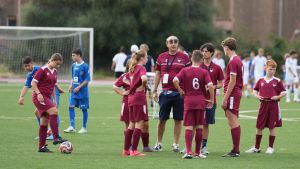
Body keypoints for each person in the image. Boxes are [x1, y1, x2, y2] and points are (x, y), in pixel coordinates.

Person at [152, 35, 191, 152]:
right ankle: (159, 143)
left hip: (180, 93)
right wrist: (154, 90)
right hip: (165, 92)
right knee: (162, 119)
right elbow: (158, 74)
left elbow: (189, 74)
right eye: (171, 42)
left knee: (178, 119)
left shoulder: (184, 57)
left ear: (178, 44)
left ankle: (175, 143)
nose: (173, 44)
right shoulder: (161, 57)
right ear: (167, 44)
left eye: (175, 42)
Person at [173, 50, 214, 159]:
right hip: (200, 101)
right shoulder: (204, 72)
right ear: (201, 60)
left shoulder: (185, 70)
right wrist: (212, 99)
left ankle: (188, 152)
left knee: (189, 126)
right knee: (200, 126)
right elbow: (210, 86)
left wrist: (180, 90)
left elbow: (175, 80)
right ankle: (198, 152)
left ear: (191, 59)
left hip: (189, 101)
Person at [245, 59, 286, 154]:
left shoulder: (277, 80)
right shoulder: (260, 80)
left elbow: (284, 92)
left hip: (273, 106)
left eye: (274, 69)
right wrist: (257, 96)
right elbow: (255, 90)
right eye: (270, 69)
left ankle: (270, 148)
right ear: (265, 68)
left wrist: (277, 96)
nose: (272, 71)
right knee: (259, 127)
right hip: (263, 105)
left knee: (272, 127)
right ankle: (256, 147)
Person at [18, 56, 64, 140]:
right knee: (37, 112)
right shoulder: (29, 75)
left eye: (28, 65)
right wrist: (21, 97)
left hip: (51, 92)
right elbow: (26, 86)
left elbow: (53, 81)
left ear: (32, 64)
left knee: (53, 111)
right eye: (25, 66)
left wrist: (59, 88)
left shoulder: (39, 69)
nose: (26, 68)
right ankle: (46, 132)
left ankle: (56, 133)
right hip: (43, 95)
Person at [113, 65, 154, 153]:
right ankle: (130, 147)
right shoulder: (125, 75)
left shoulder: (139, 74)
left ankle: (145, 146)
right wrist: (123, 93)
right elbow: (115, 86)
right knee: (129, 124)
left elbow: (146, 87)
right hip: (127, 102)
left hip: (139, 101)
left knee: (145, 124)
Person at [31, 53, 67, 152]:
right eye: (57, 64)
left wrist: (54, 99)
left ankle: (41, 147)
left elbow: (52, 86)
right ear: (52, 60)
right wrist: (38, 94)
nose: (58, 66)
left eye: (60, 65)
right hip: (39, 97)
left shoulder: (54, 71)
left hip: (47, 97)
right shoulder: (43, 70)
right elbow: (33, 83)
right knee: (54, 112)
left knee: (44, 122)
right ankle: (56, 137)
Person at [122, 50, 149, 157]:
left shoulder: (132, 68)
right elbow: (144, 78)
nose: (147, 59)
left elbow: (126, 79)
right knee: (139, 123)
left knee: (132, 123)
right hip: (138, 97)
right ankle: (134, 150)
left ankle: (126, 150)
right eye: (146, 57)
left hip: (131, 98)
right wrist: (143, 85)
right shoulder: (141, 68)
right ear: (142, 58)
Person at [199, 43, 224, 155]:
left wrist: (214, 86)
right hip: (198, 98)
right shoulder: (198, 66)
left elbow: (221, 83)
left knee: (206, 124)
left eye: (206, 51)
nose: (204, 53)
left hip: (210, 99)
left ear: (211, 53)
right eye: (203, 51)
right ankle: (190, 145)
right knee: (195, 122)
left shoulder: (217, 68)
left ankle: (203, 147)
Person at [221, 37, 243, 157]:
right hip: (235, 92)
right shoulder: (237, 60)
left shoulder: (233, 61)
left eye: (224, 47)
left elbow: (232, 81)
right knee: (232, 120)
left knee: (233, 120)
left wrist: (225, 98)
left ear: (227, 48)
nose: (223, 49)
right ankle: (235, 149)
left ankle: (236, 150)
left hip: (233, 93)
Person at [64, 49, 90, 134]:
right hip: (73, 91)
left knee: (84, 109)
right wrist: (70, 84)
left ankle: (84, 127)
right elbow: (73, 77)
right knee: (70, 106)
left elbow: (87, 80)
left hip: (82, 92)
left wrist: (78, 87)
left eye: (73, 55)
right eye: (72, 55)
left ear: (79, 55)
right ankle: (72, 126)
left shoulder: (85, 66)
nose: (72, 57)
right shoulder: (73, 65)